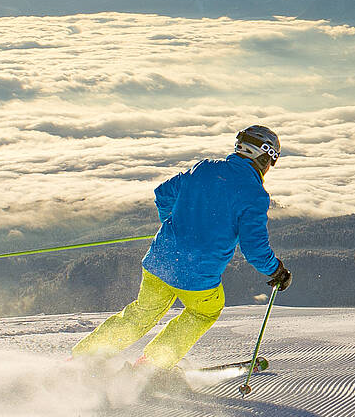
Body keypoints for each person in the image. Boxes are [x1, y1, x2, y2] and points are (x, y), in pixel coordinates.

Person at [72, 125, 292, 370]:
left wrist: (173, 224)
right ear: (263, 156)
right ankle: (152, 365)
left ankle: (83, 358)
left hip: (160, 261)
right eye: (271, 161)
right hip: (198, 278)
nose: (269, 168)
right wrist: (277, 271)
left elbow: (163, 193)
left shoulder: (203, 168)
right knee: (204, 312)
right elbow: (254, 249)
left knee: (141, 313)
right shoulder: (255, 195)